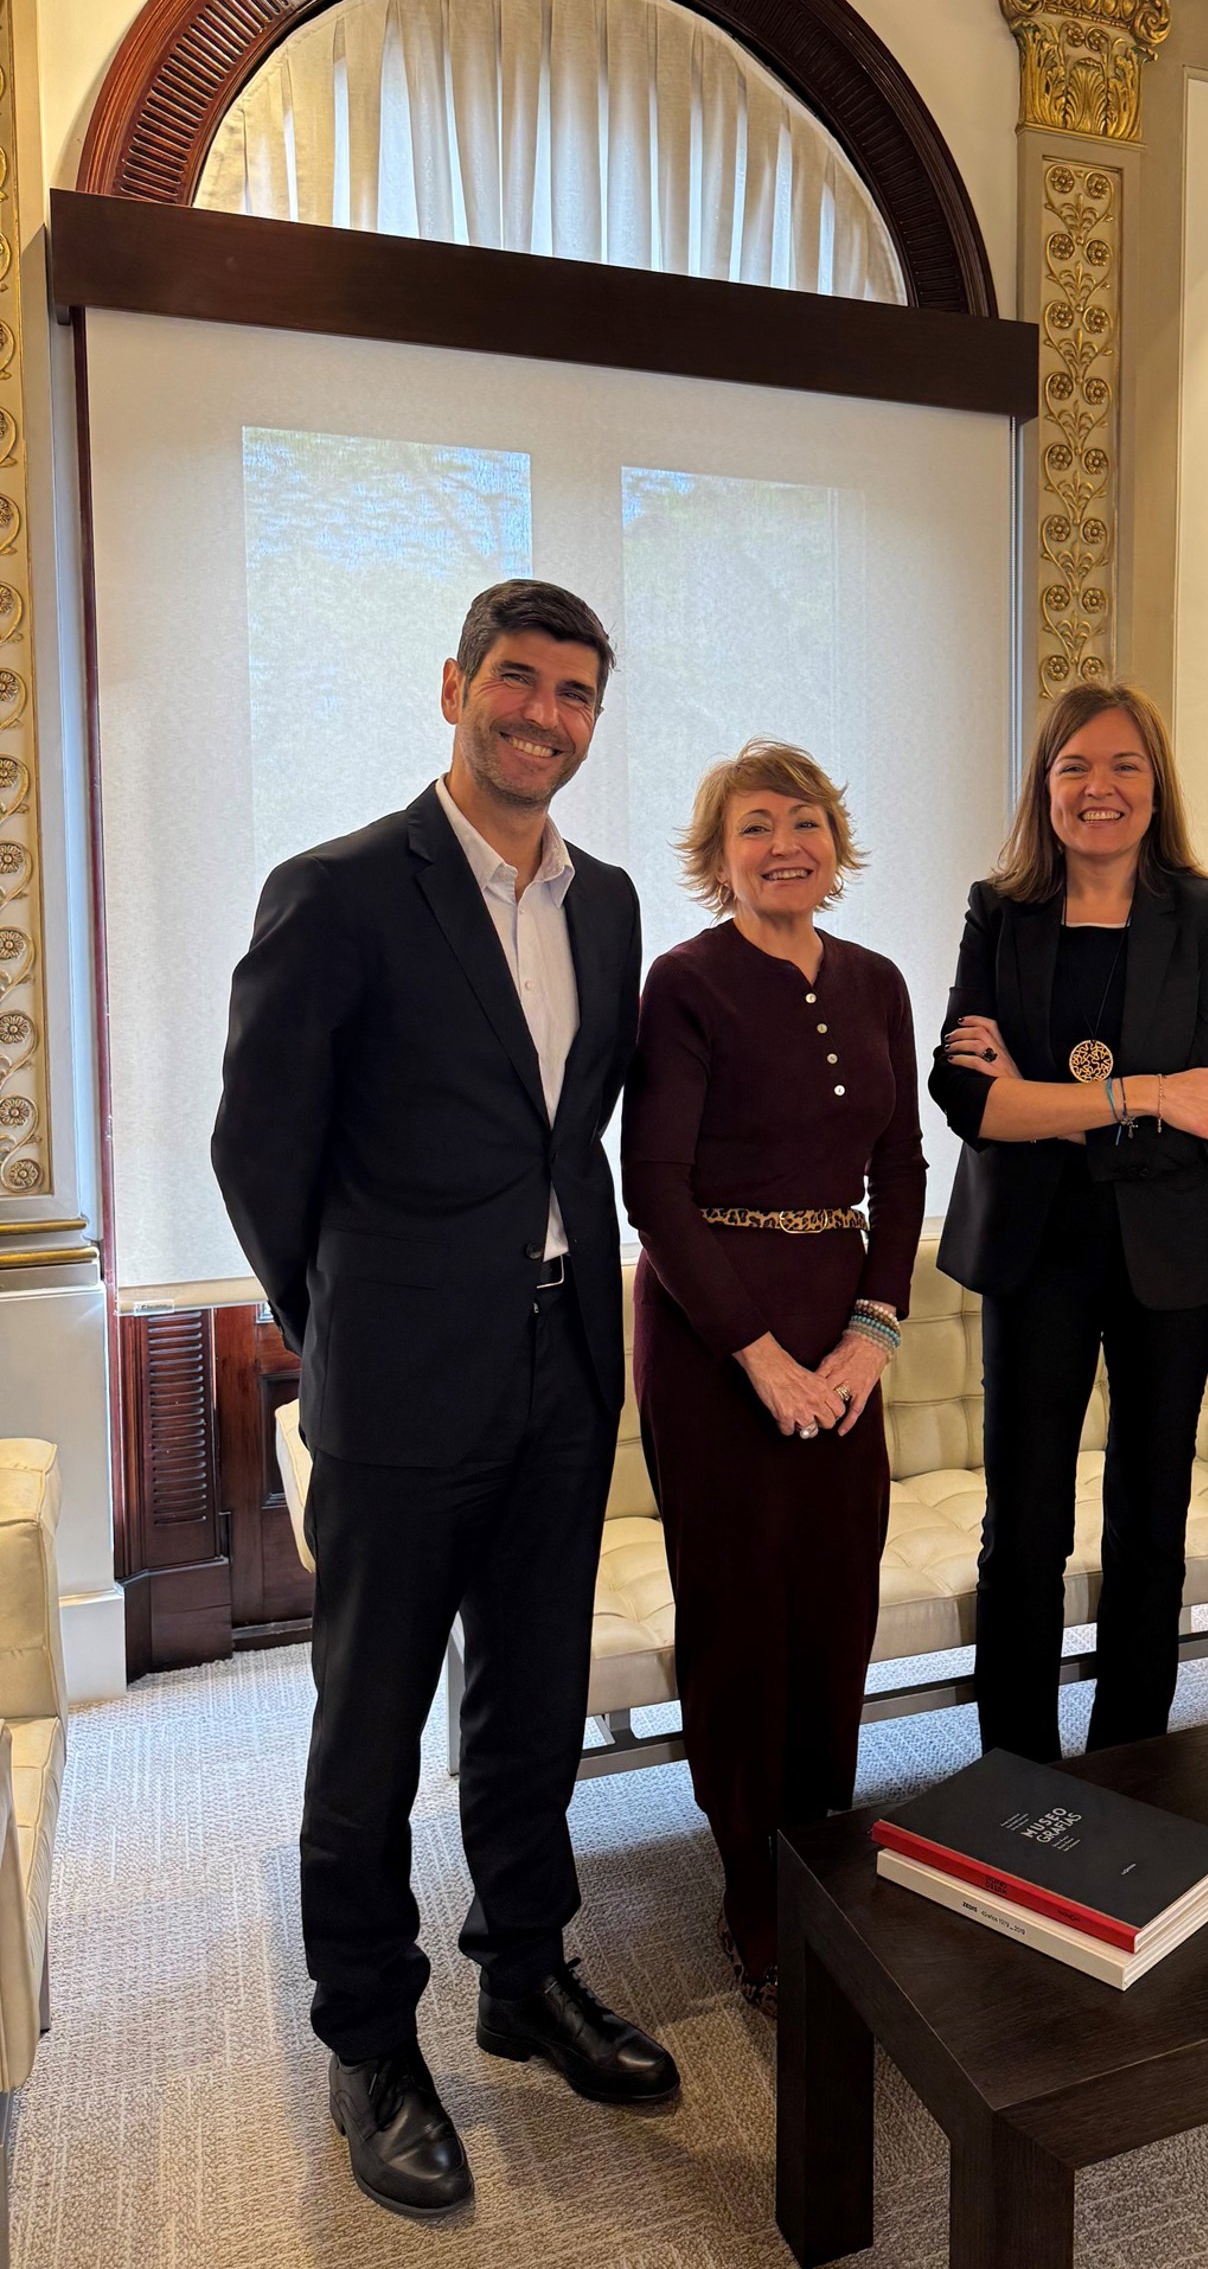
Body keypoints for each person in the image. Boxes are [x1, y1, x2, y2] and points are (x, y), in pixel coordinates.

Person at [212, 582, 679, 2225]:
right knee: (370, 1731)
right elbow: (258, 1149)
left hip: (564, 1365)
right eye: (518, 682)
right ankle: (367, 2040)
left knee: (533, 1701)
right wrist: (334, 1321)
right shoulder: (340, 890)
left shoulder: (609, 903)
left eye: (574, 695)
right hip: (400, 1379)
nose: (544, 715)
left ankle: (525, 1973)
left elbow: (579, 1131)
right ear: (456, 687)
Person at [623, 742, 926, 2010]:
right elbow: (656, 1188)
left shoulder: (877, 980)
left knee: (835, 1603)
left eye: (804, 822)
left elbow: (902, 1167)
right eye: (754, 826)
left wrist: (873, 1333)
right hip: (713, 1341)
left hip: (842, 1333)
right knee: (741, 1616)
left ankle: (823, 1849)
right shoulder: (686, 982)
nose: (783, 845)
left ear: (835, 844)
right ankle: (750, 1882)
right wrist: (758, 1356)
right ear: (718, 856)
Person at [930, 682, 1208, 1766]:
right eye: (1073, 767)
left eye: (1123, 765)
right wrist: (1142, 1095)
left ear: (1156, 785)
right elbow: (968, 1099)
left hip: (1174, 1256)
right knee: (1023, 1527)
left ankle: (1132, 1766)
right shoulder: (1000, 910)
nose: (1097, 788)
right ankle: (1015, 1773)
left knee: (1151, 1522)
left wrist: (1042, 1102)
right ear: (1045, 785)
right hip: (1034, 1254)